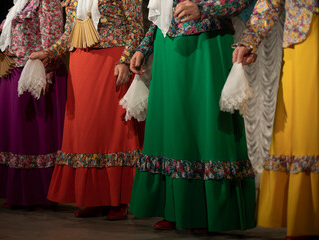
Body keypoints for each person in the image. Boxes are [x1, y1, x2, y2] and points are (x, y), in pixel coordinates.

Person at [129, 0, 256, 232]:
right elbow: (161, 13)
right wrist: (144, 48)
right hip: (169, 48)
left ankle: (207, 212)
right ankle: (175, 208)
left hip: (206, 43)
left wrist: (203, 8)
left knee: (205, 125)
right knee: (172, 127)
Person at [30, 0, 143, 219]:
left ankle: (118, 200)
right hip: (81, 62)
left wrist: (125, 59)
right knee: (86, 132)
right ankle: (93, 197)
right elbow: (69, 32)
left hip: (111, 60)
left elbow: (136, 26)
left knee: (113, 129)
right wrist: (49, 53)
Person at [233, 0, 319, 239]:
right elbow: (269, 2)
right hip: (305, 37)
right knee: (305, 126)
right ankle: (307, 216)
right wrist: (248, 41)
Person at [0, 0, 67, 207]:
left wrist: (46, 74)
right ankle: (17, 192)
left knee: (33, 134)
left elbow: (51, 36)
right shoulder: (21, 2)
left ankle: (38, 193)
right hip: (15, 71)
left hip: (34, 73)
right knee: (17, 133)